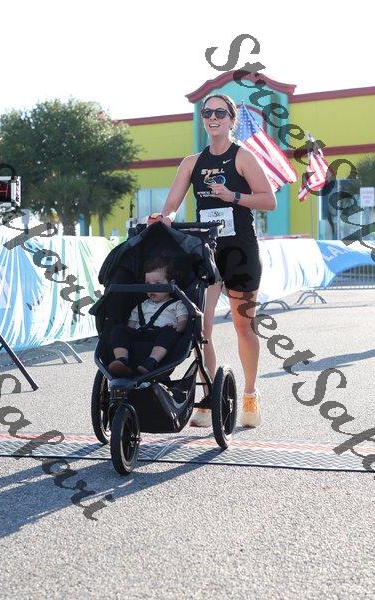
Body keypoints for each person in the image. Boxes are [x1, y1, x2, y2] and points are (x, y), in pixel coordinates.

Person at [155, 93, 276, 427]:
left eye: (220, 113)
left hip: (240, 252)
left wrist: (233, 196)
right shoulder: (192, 162)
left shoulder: (243, 157)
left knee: (243, 326)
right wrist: (165, 217)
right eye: (207, 112)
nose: (212, 118)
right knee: (203, 328)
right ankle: (209, 399)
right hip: (206, 252)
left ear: (231, 120)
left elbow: (269, 200)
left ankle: (249, 394)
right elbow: (171, 204)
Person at [108, 256, 188, 377]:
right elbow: (130, 326)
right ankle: (122, 360)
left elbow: (183, 322)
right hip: (140, 334)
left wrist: (177, 327)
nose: (151, 288)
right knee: (119, 329)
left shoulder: (177, 304)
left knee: (170, 331)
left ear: (171, 284)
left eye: (157, 283)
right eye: (147, 284)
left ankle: (151, 361)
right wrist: (126, 333)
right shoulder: (141, 306)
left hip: (160, 335)